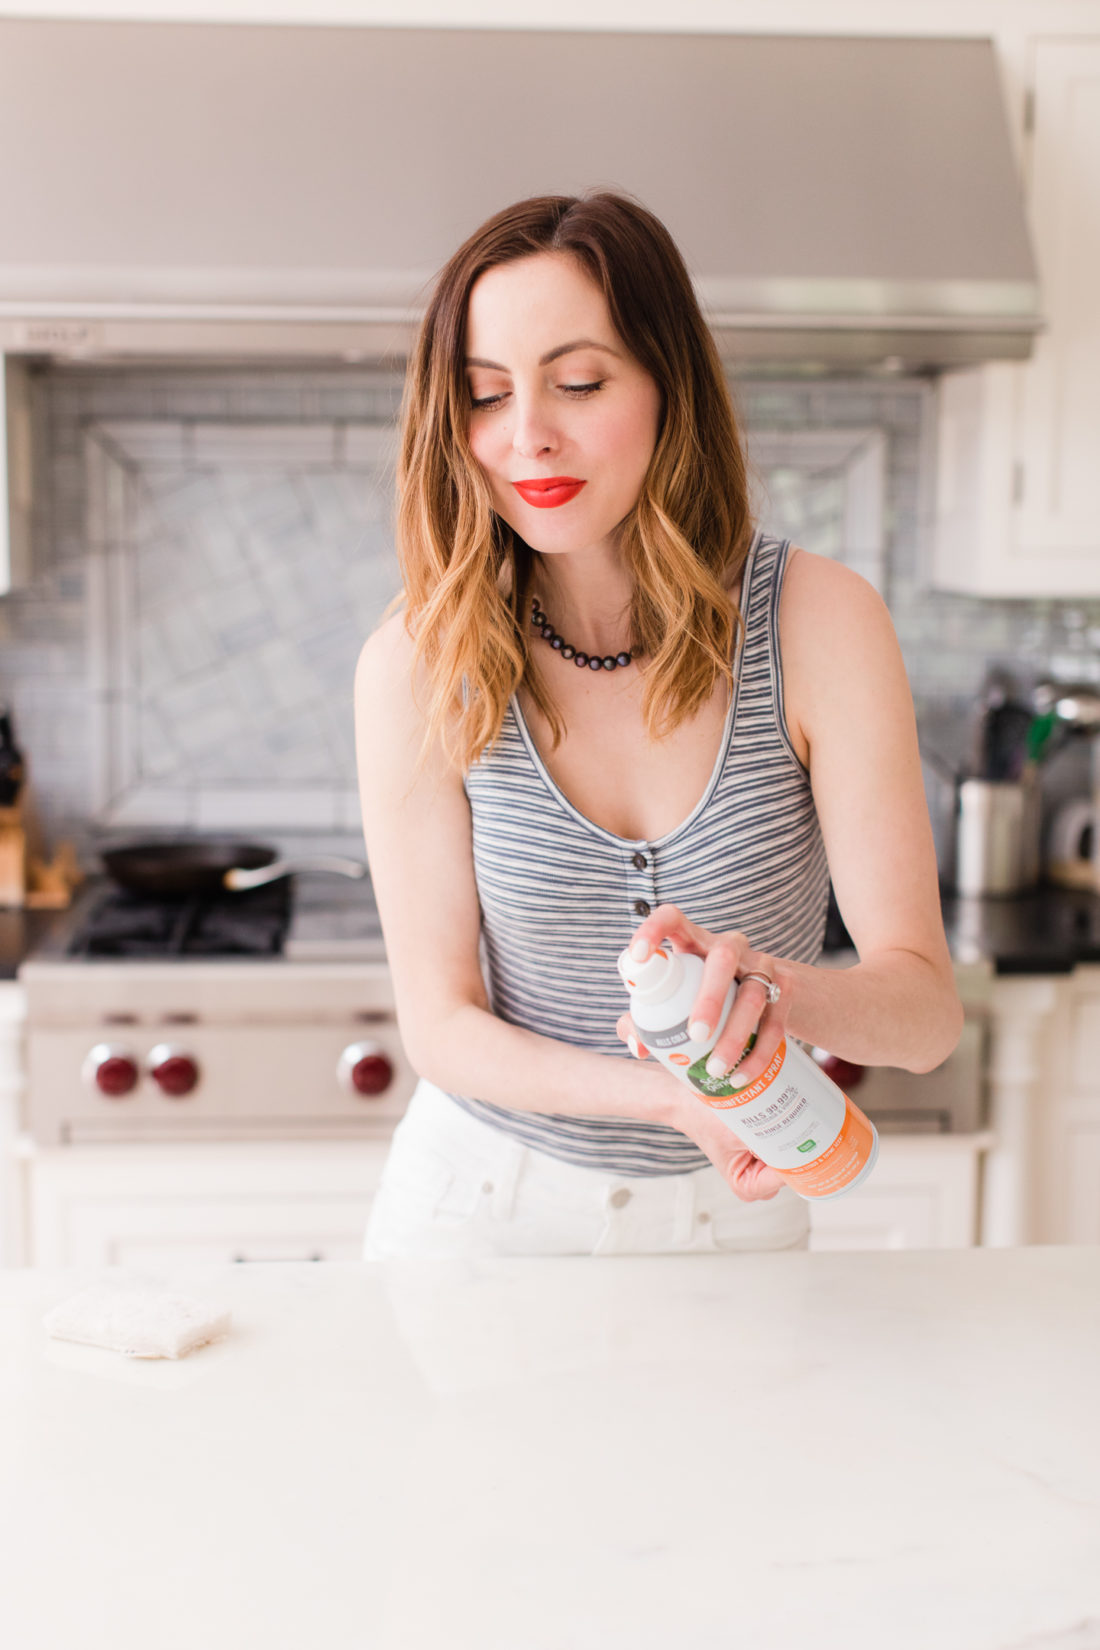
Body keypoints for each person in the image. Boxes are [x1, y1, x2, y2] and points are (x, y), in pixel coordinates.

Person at [355, 190, 963, 1259]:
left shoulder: (820, 625)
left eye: (578, 382)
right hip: (474, 1218)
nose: (527, 435)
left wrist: (768, 990)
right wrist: (664, 1097)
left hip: (731, 1223)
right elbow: (440, 1027)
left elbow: (922, 1017)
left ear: (665, 386)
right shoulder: (420, 660)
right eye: (486, 395)